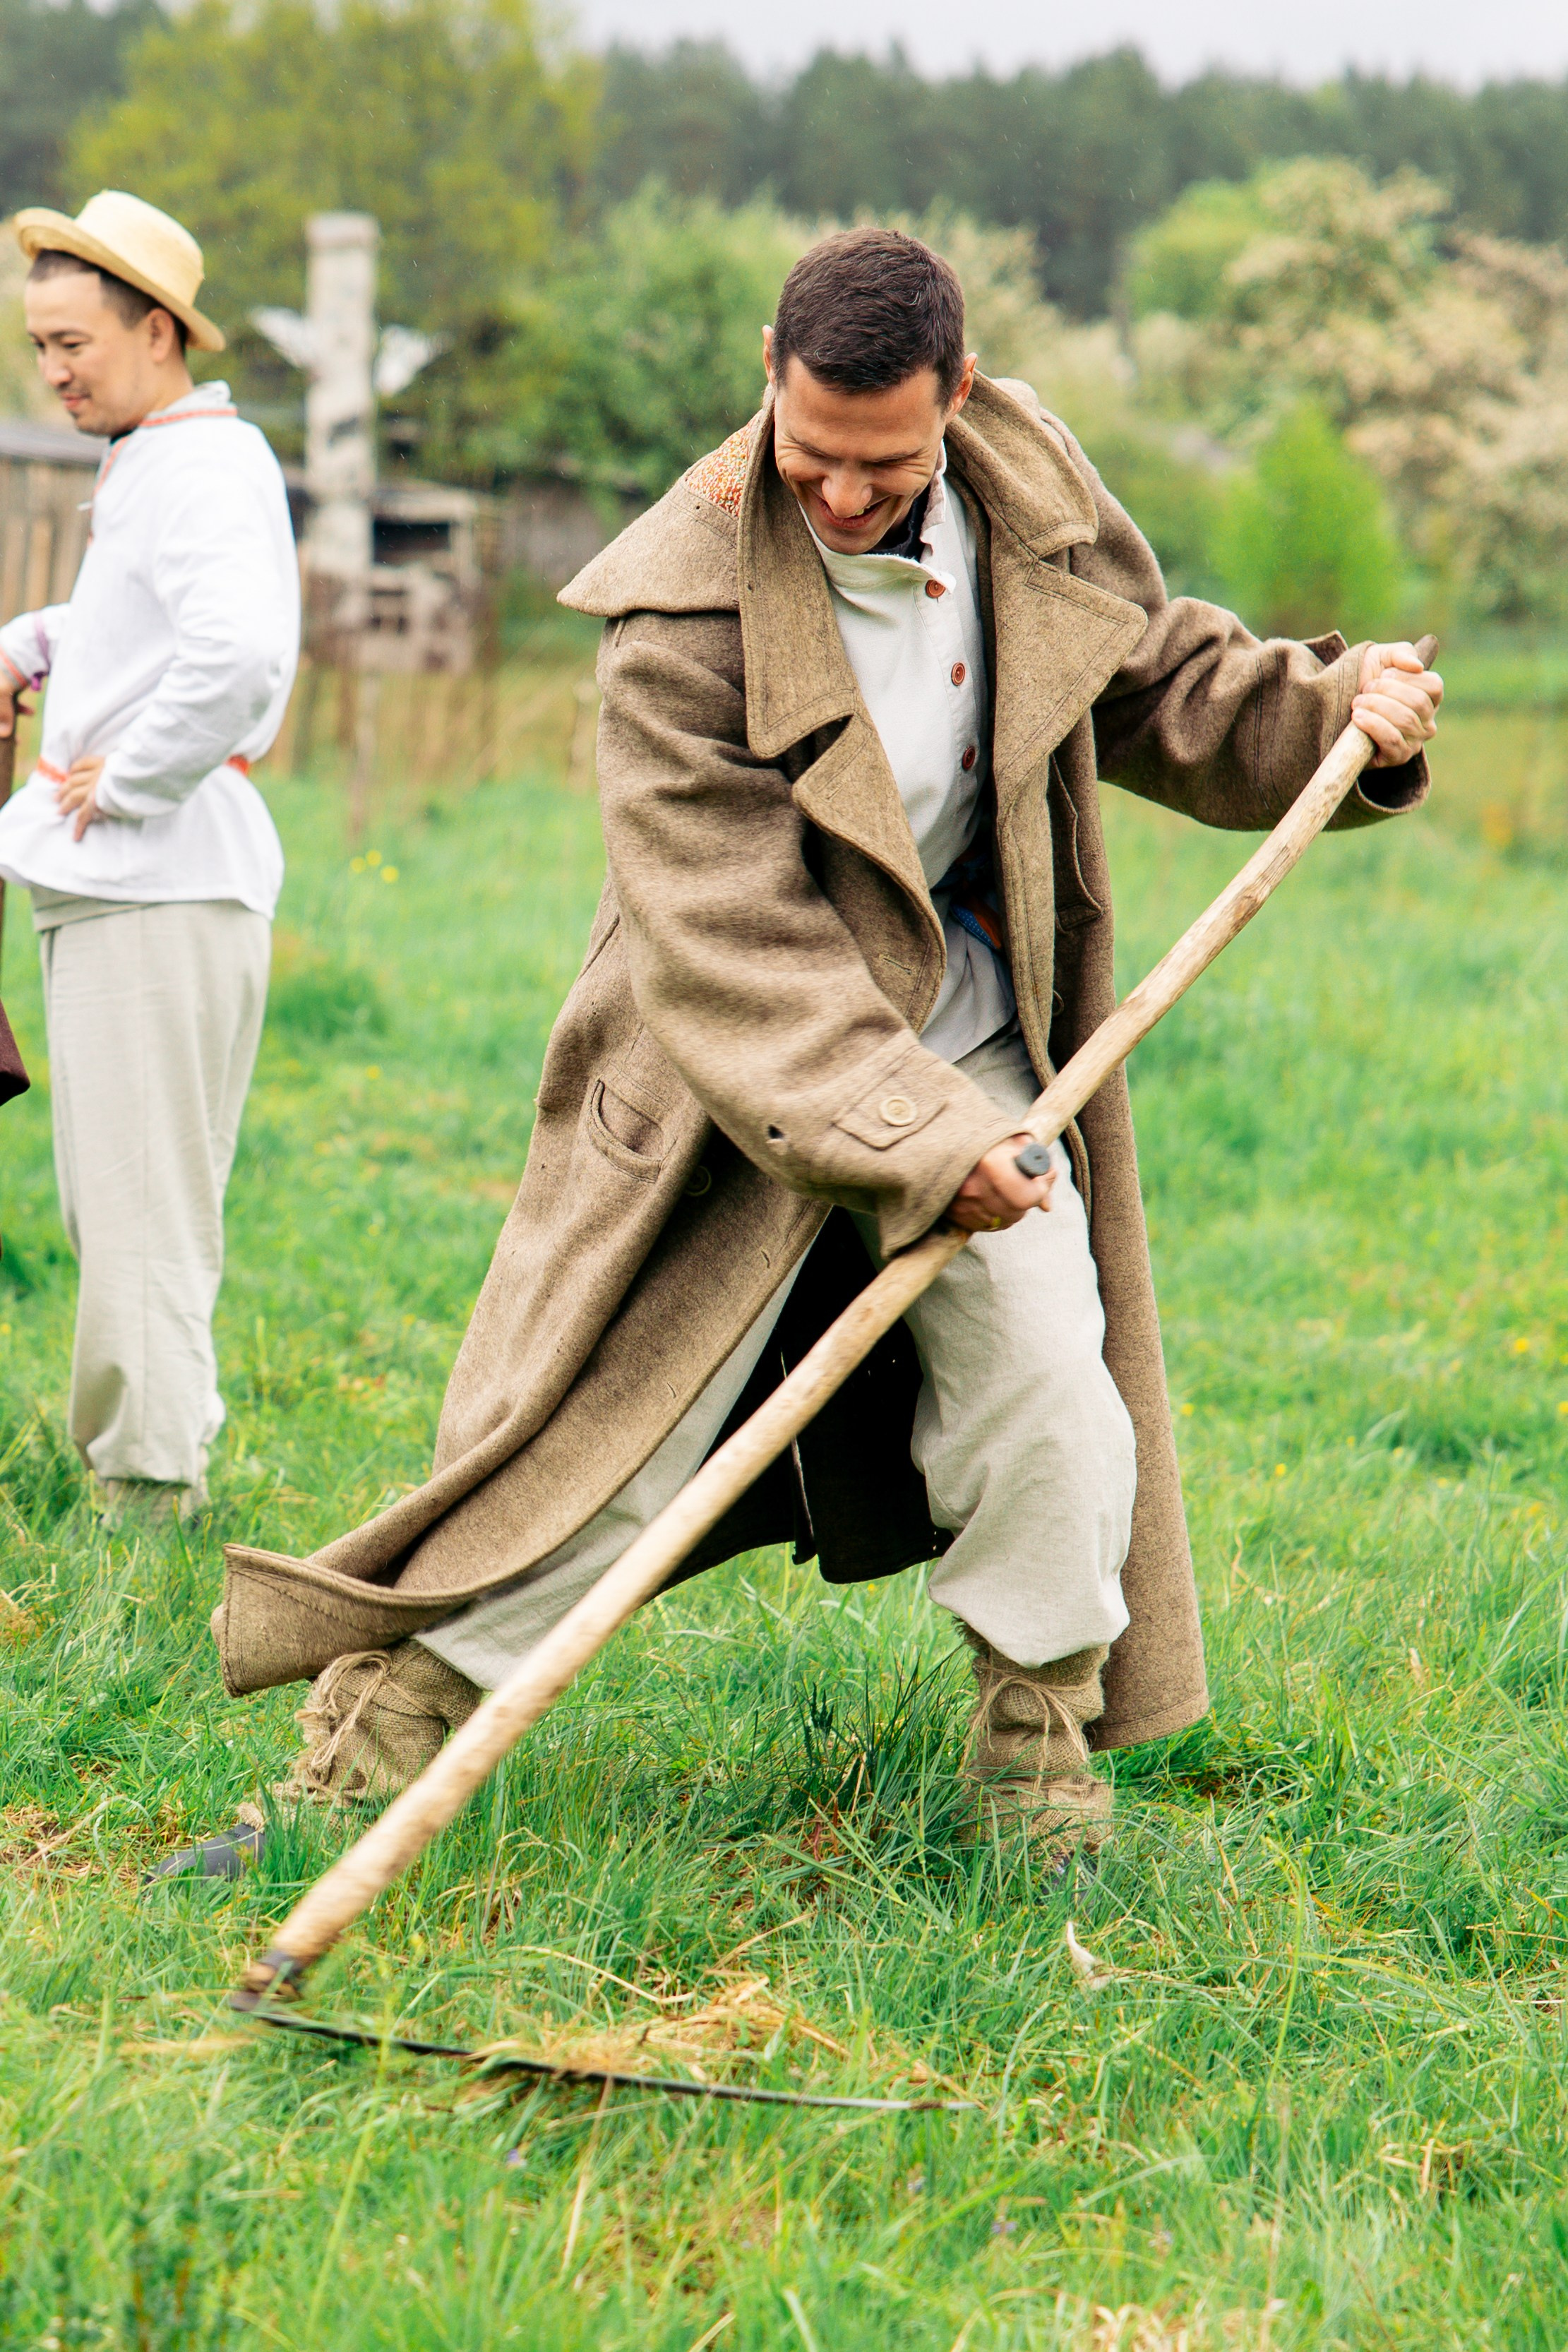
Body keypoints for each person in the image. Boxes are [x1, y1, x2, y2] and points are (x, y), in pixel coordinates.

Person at [187, 229, 1439, 1883]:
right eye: (808, 457)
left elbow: (1155, 678)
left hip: (978, 1039)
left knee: (1051, 1383)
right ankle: (363, 1760)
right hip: (727, 1083)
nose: (841, 498)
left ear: (958, 401)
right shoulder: (674, 615)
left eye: (882, 464)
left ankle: (1035, 1763)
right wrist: (920, 1140)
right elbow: (737, 951)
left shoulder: (1023, 488)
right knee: (600, 1449)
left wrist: (1337, 710)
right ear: (767, 382)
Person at [0, 191, 299, 1525]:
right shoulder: (160, 461)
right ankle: (147, 1470)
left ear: (160, 330)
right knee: (120, 1202)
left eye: (74, 341)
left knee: (140, 1214)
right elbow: (151, 619)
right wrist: (40, 639)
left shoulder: (201, 465)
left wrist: (128, 777)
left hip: (161, 875)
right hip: (138, 884)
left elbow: (236, 654)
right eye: (39, 345)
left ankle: (147, 1499)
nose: (54, 369)